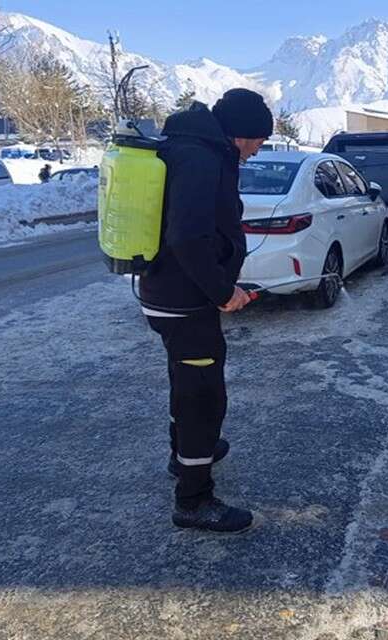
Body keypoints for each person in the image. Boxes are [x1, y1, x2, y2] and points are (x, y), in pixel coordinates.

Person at [139, 88, 274, 533]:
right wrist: (222, 292)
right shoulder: (201, 158)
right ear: (241, 133)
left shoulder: (191, 148)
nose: (257, 150)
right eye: (258, 141)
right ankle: (194, 501)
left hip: (171, 295)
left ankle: (186, 456)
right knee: (203, 396)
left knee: (186, 378)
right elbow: (188, 237)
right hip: (185, 299)